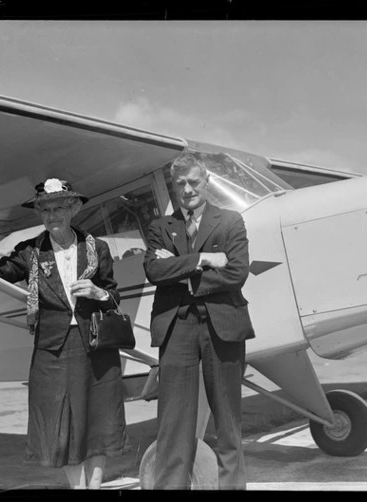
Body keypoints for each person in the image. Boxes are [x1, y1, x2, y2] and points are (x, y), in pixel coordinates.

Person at [0, 178, 129, 489]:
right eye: (45, 209)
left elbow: (114, 297)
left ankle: (96, 486)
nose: (52, 215)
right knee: (63, 423)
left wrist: (98, 292)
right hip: (54, 349)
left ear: (75, 208)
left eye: (60, 206)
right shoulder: (30, 252)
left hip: (98, 345)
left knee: (100, 418)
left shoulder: (96, 248)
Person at [143, 153, 255, 490]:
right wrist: (204, 259)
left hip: (223, 327)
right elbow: (154, 271)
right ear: (173, 188)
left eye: (194, 182)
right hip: (176, 328)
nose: (188, 189)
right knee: (173, 423)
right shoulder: (160, 227)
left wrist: (181, 270)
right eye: (181, 184)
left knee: (228, 423)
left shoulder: (231, 221)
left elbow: (237, 272)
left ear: (205, 183)